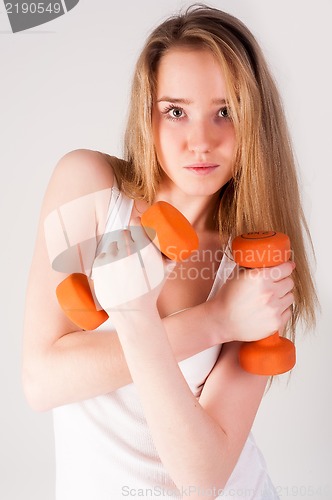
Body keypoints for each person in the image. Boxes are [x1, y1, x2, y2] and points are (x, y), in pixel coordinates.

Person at [22, 4, 317, 499]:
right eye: (175, 111)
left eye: (226, 112)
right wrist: (215, 322)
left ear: (254, 123)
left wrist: (138, 315)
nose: (200, 141)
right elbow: (42, 382)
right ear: (147, 113)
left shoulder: (257, 267)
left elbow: (202, 480)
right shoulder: (91, 190)